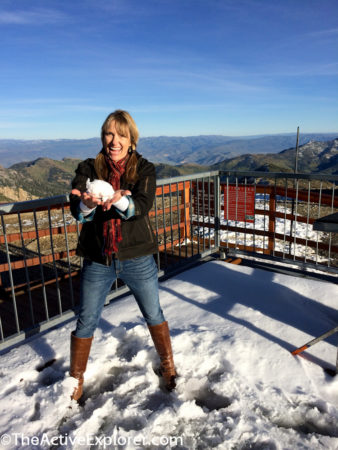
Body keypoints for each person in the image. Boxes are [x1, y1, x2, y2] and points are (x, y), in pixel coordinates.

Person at [69, 110, 176, 400]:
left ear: (132, 140)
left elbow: (142, 205)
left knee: (153, 312)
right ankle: (75, 380)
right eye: (109, 134)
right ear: (102, 136)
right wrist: (88, 206)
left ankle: (168, 364)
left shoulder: (144, 168)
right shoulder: (89, 168)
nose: (114, 141)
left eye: (121, 135)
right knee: (86, 319)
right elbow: (76, 206)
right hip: (98, 257)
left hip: (137, 256)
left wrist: (121, 201)